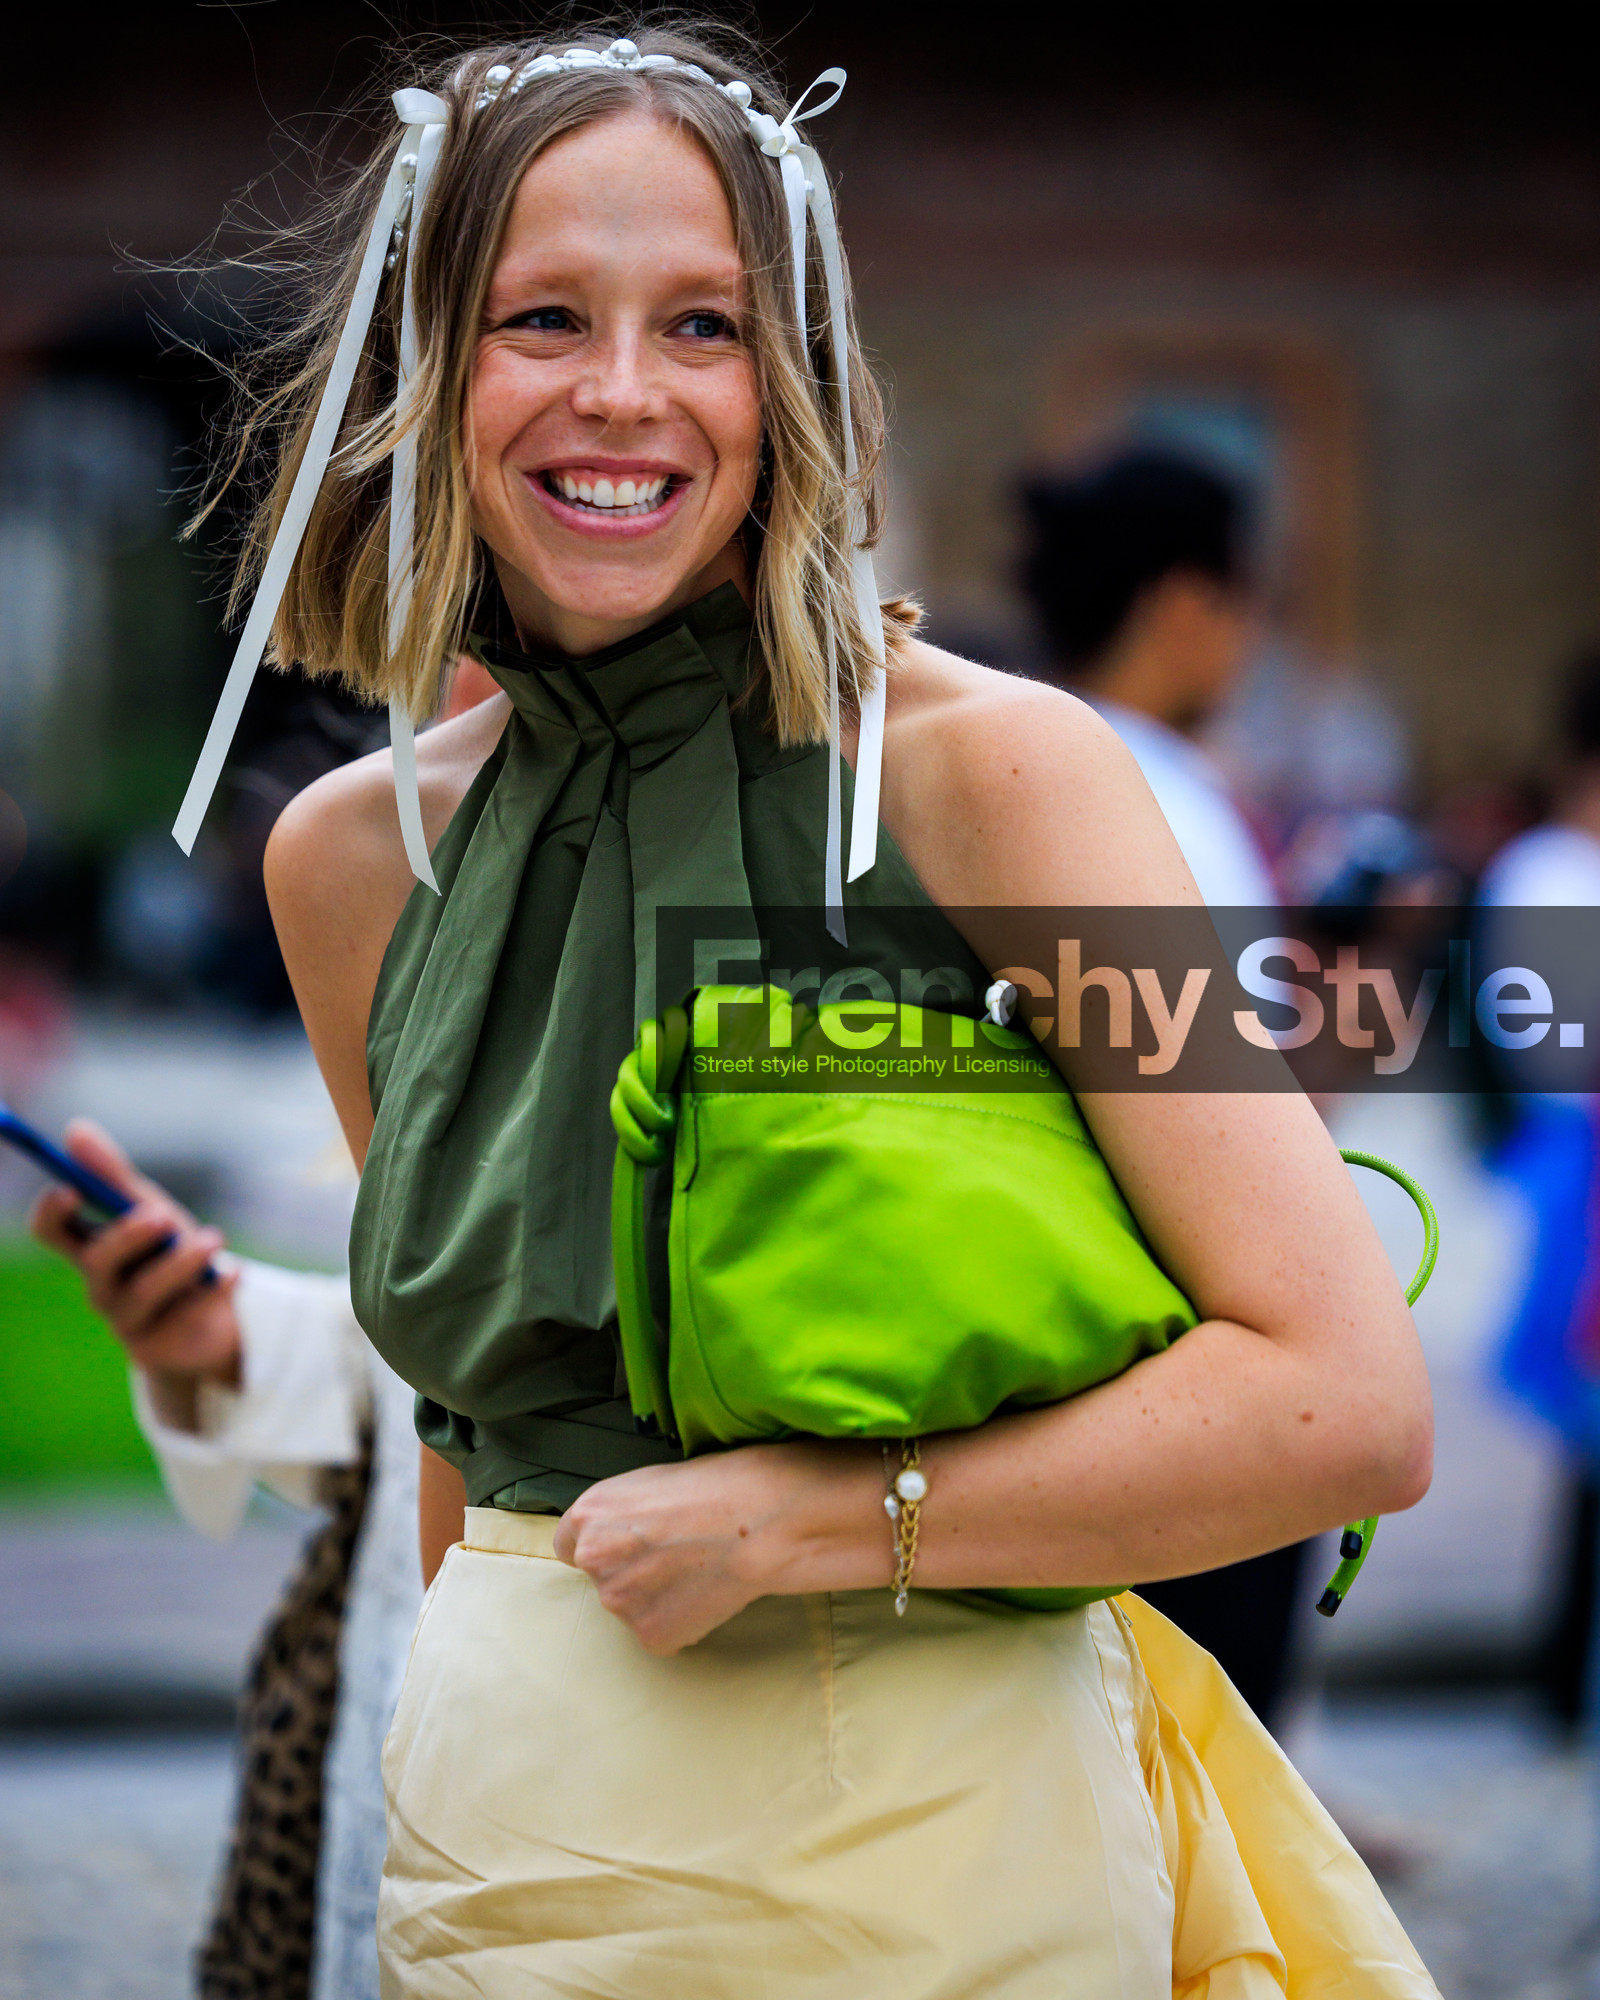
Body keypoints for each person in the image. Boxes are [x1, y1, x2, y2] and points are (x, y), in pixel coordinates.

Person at [177, 22, 1435, 1995]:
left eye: (700, 324)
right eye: (539, 319)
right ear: (420, 367)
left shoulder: (998, 776)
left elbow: (1339, 1402)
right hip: (494, 1871)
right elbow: (468, 1432)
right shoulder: (344, 863)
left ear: (797, 378)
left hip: (935, 1872)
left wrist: (818, 1521)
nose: (621, 394)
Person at [1021, 449, 1314, 1728]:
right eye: (1249, 603)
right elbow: (1246, 1112)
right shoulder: (1157, 799)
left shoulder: (1025, 755)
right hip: (1191, 1330)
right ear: (1189, 603)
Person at [31, 1123, 420, 2000]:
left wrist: (797, 1506)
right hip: (389, 1722)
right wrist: (241, 1340)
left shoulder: (772, 1005)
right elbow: (438, 1346)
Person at [1021, 450, 1276, 908]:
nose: (1252, 636)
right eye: (1245, 603)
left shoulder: (1013, 768)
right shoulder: (1170, 822)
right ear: (1188, 605)